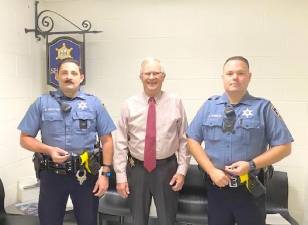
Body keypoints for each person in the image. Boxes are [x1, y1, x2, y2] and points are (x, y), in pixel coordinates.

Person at [186, 56, 293, 225]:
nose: (235, 77)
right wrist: (212, 171)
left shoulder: (263, 108)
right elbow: (192, 140)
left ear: (249, 77)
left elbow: (284, 147)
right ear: (223, 78)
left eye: (240, 73)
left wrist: (250, 164)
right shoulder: (209, 106)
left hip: (249, 187)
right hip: (216, 187)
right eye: (229, 73)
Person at [18, 58, 116, 225]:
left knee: (88, 221)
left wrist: (105, 175)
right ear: (57, 76)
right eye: (64, 72)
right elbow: (24, 139)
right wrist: (48, 150)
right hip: (52, 175)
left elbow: (107, 141)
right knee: (49, 221)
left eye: (73, 73)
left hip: (85, 175)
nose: (68, 77)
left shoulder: (94, 104)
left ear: (81, 77)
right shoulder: (42, 103)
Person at [114, 57, 191, 225]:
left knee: (167, 220)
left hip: (167, 169)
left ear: (163, 76)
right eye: (147, 73)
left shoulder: (176, 102)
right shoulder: (128, 105)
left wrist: (182, 170)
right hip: (137, 170)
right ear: (140, 76)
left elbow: (184, 139)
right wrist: (120, 176)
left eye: (156, 73)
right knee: (138, 220)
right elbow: (120, 143)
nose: (151, 77)